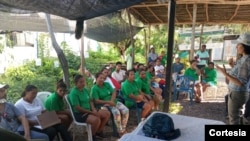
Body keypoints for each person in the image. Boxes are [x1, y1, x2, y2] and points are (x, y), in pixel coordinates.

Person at [216, 33, 250, 125]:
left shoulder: (246, 61)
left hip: (237, 93)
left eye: (238, 45)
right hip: (238, 93)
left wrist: (224, 73)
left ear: (244, 46)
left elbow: (240, 82)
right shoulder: (244, 59)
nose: (236, 47)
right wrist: (232, 66)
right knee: (237, 117)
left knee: (234, 119)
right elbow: (240, 75)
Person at [69, 74, 110, 140]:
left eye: (83, 81)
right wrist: (91, 112)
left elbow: (90, 100)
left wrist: (93, 109)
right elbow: (78, 108)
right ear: (76, 83)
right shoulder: (74, 93)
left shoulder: (85, 90)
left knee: (107, 113)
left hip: (89, 110)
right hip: (80, 114)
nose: (83, 83)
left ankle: (98, 132)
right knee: (96, 120)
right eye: (81, 82)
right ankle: (91, 137)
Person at [91, 72, 129, 137]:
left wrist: (111, 101)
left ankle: (123, 128)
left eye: (103, 78)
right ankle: (119, 131)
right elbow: (96, 101)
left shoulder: (107, 84)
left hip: (114, 102)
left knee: (126, 110)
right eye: (100, 78)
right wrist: (108, 103)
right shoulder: (94, 88)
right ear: (96, 78)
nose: (102, 80)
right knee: (116, 113)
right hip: (104, 105)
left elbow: (114, 91)